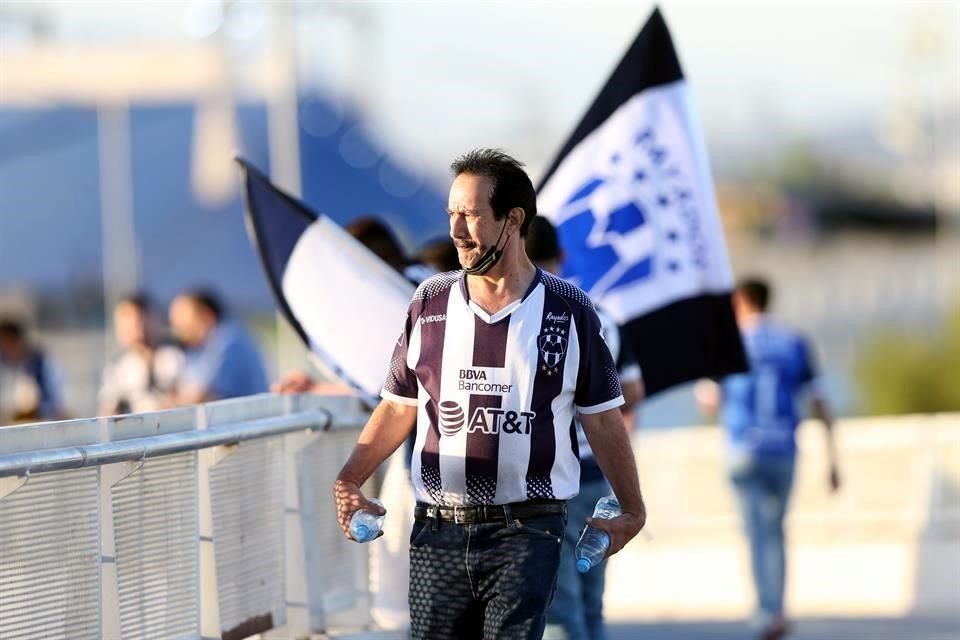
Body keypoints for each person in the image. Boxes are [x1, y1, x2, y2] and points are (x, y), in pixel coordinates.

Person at [333, 148, 646, 639]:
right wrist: (350, 478)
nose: (456, 229)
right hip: (437, 528)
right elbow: (398, 404)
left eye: (471, 215)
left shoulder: (571, 312)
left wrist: (632, 508)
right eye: (452, 214)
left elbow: (604, 418)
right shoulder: (429, 302)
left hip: (529, 528)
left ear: (512, 220)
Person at [695, 277, 841, 640]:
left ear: (742, 301)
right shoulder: (794, 342)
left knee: (756, 533)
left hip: (744, 447)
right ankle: (777, 609)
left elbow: (708, 400)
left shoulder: (729, 342)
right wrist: (834, 457)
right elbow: (819, 401)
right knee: (776, 532)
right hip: (783, 448)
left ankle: (765, 611)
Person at [525, 216, 643, 640]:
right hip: (601, 473)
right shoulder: (600, 314)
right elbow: (633, 391)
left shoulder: (526, 318)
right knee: (593, 601)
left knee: (560, 604)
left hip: (555, 479)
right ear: (562, 256)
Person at [168, 289, 269, 404]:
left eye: (181, 317)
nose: (176, 327)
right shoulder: (207, 346)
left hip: (247, 418)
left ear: (206, 314)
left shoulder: (227, 341)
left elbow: (199, 397)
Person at [98, 293, 184, 415]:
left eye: (138, 318)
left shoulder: (177, 355)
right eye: (124, 319)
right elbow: (108, 411)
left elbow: (192, 396)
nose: (132, 325)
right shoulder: (118, 366)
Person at [0, 318, 67, 422]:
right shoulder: (4, 363)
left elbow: (54, 403)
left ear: (18, 340)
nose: (5, 350)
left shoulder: (42, 363)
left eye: (8, 343)